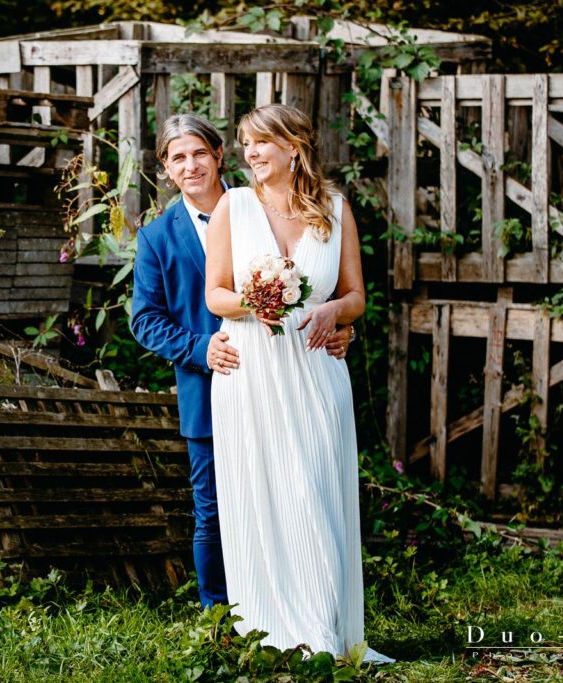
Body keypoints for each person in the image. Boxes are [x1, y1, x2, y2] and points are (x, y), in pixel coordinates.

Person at [131, 114, 353, 610]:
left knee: (295, 495)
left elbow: (321, 281)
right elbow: (144, 319)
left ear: (218, 157)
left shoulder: (261, 203)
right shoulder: (157, 237)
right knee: (215, 509)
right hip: (213, 385)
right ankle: (221, 616)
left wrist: (341, 324)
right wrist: (198, 349)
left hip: (290, 375)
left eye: (199, 154)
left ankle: (291, 608)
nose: (191, 166)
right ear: (166, 169)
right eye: (178, 158)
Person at [204, 104, 393, 663]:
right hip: (251, 373)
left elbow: (357, 295)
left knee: (314, 491)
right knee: (259, 494)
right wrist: (255, 301)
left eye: (261, 143)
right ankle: (272, 629)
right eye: (244, 144)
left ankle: (325, 629)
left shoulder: (333, 211)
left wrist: (336, 313)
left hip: (315, 369)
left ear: (294, 145)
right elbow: (215, 294)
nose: (251, 154)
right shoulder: (231, 209)